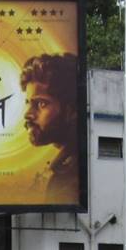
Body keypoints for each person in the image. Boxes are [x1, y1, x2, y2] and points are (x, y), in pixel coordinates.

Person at [20, 52, 80, 205]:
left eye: (41, 104)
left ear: (70, 109)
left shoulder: (71, 176)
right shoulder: (61, 166)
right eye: (28, 102)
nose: (28, 115)